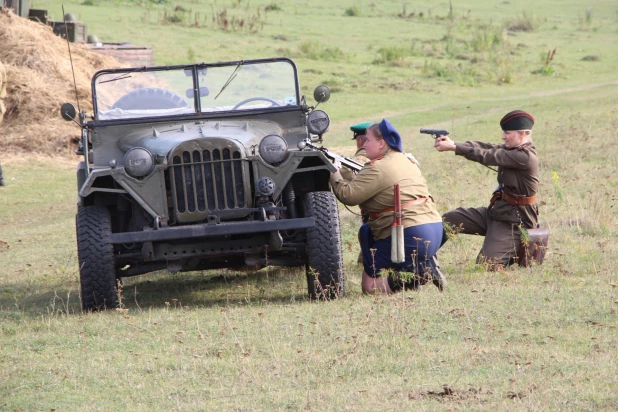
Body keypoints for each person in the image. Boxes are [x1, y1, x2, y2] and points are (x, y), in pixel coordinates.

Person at [330, 119, 446, 294]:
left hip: (408, 232)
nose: (364, 144)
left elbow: (348, 195)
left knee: (370, 287)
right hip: (434, 228)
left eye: (368, 140)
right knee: (366, 231)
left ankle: (420, 275)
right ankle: (422, 264)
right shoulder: (405, 159)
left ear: (382, 143)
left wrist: (333, 173)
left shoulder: (378, 167)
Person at [433, 110, 539, 268]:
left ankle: (514, 248)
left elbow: (489, 155)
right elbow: (487, 147)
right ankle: (422, 259)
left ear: (523, 134)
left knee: (486, 264)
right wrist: (455, 144)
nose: (503, 136)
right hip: (497, 213)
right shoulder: (512, 150)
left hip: (515, 221)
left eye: (507, 133)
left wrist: (454, 148)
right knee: (450, 219)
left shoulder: (525, 157)